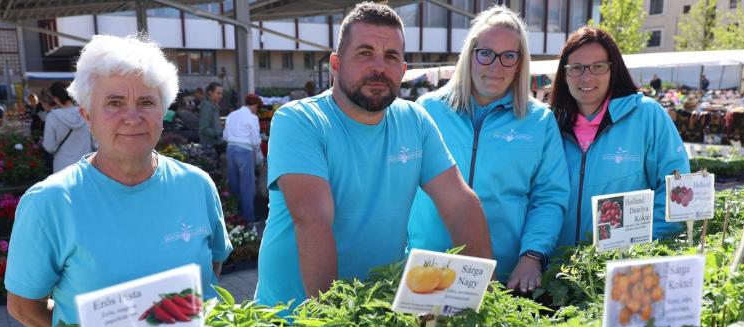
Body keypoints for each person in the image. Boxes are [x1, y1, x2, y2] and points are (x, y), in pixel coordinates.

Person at [255, 2, 493, 311]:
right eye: (365, 53)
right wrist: (331, 324)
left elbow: (460, 204)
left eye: (391, 56)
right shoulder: (301, 121)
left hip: (379, 314)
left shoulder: (415, 121)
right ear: (336, 64)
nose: (379, 67)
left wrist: (483, 297)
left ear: (403, 70)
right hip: (292, 319)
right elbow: (312, 219)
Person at [5, 35, 233, 327]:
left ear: (163, 111)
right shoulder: (49, 202)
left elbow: (210, 271)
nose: (132, 118)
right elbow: (23, 306)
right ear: (87, 115)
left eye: (146, 102)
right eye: (114, 103)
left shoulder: (196, 185)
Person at [408, 6, 568, 295]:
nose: (496, 66)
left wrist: (532, 255)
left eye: (509, 56)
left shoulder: (539, 121)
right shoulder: (427, 110)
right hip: (429, 271)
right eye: (486, 53)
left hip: (504, 277)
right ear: (470, 55)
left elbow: (549, 197)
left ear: (520, 63)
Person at [549, 27, 689, 248]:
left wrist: (642, 244)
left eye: (598, 67)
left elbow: (675, 185)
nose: (587, 76)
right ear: (564, 75)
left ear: (612, 70)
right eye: (576, 68)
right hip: (556, 263)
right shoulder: (550, 123)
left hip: (622, 260)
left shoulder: (646, 115)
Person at [223, 93, 263, 223]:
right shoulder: (252, 118)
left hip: (230, 149)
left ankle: (234, 215)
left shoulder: (231, 115)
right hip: (245, 151)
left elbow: (225, 136)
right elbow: (255, 140)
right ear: (255, 106)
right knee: (247, 186)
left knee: (233, 183)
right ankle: (248, 217)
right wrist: (259, 154)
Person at [41, 82, 93, 173]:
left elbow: (50, 147)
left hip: (63, 168)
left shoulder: (52, 117)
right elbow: (96, 143)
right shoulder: (86, 113)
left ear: (56, 99)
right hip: (85, 166)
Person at [198, 82, 225, 149]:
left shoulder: (215, 106)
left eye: (221, 94)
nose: (220, 96)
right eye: (218, 93)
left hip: (217, 143)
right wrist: (219, 133)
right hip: (210, 145)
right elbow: (204, 129)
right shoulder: (206, 108)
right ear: (210, 92)